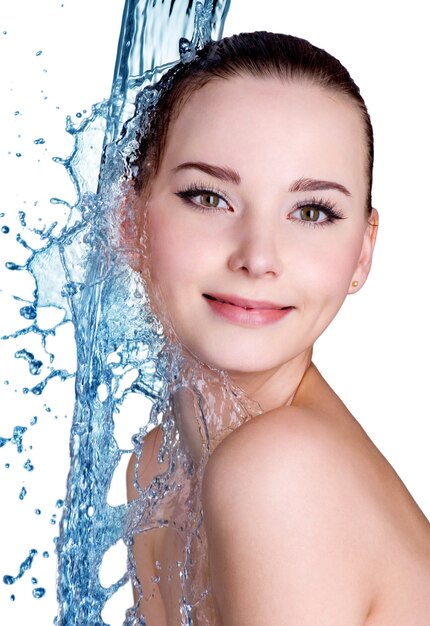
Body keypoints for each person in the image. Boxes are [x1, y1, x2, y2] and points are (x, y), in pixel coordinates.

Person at [125, 32, 430, 625]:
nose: (258, 256)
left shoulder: (280, 473)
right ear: (129, 221)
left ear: (363, 252)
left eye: (312, 212)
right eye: (209, 197)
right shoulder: (159, 465)